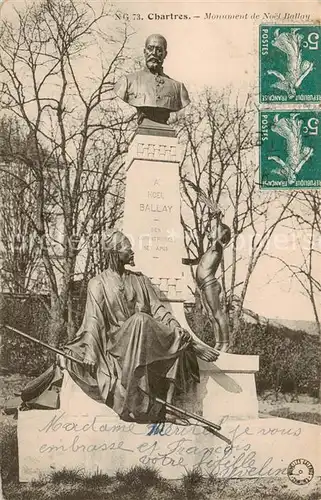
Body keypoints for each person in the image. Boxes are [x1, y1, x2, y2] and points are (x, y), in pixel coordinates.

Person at [64, 231, 218, 422]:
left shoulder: (140, 280)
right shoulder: (97, 283)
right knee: (141, 320)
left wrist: (175, 326)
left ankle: (167, 406)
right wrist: (90, 352)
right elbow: (93, 320)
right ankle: (185, 345)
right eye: (128, 249)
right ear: (115, 253)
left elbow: (158, 309)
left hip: (144, 336)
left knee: (154, 326)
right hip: (117, 343)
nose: (133, 253)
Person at [114, 34, 190, 124]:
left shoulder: (178, 88)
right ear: (144, 51)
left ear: (165, 54)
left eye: (159, 50)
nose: (154, 53)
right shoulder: (127, 81)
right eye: (150, 48)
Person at [195, 216, 231, 352]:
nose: (210, 231)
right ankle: (218, 343)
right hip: (204, 285)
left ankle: (226, 343)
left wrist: (218, 218)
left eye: (214, 229)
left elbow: (219, 236)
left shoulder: (218, 247)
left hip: (210, 284)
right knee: (211, 315)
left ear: (221, 235)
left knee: (217, 313)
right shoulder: (210, 250)